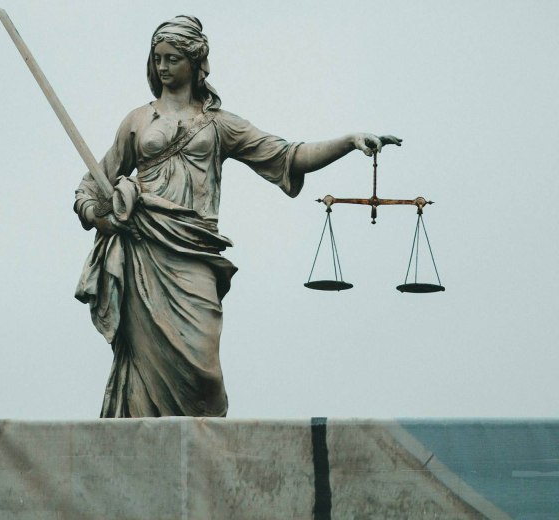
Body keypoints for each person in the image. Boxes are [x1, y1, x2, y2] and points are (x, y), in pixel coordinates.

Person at [74, 15, 400, 418]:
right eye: (157, 58)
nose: (162, 67)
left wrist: (348, 141)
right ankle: (145, 444)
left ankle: (203, 446)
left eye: (172, 58)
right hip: (143, 252)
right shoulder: (138, 121)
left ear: (195, 62)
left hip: (194, 251)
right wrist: (102, 218)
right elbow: (90, 186)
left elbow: (288, 155)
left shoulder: (220, 125)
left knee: (204, 374)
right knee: (144, 371)